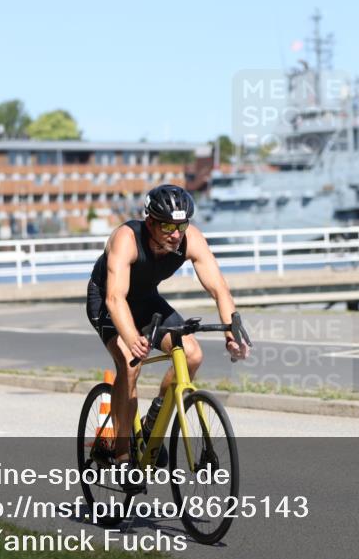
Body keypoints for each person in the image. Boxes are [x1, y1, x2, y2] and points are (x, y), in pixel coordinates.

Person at [85, 184, 249, 491]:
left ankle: (152, 424)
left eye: (181, 226)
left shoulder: (191, 239)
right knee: (130, 363)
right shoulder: (126, 239)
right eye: (167, 227)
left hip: (146, 301)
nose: (175, 234)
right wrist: (131, 338)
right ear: (150, 222)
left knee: (192, 354)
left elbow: (219, 289)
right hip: (107, 301)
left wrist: (232, 333)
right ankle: (122, 456)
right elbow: (115, 299)